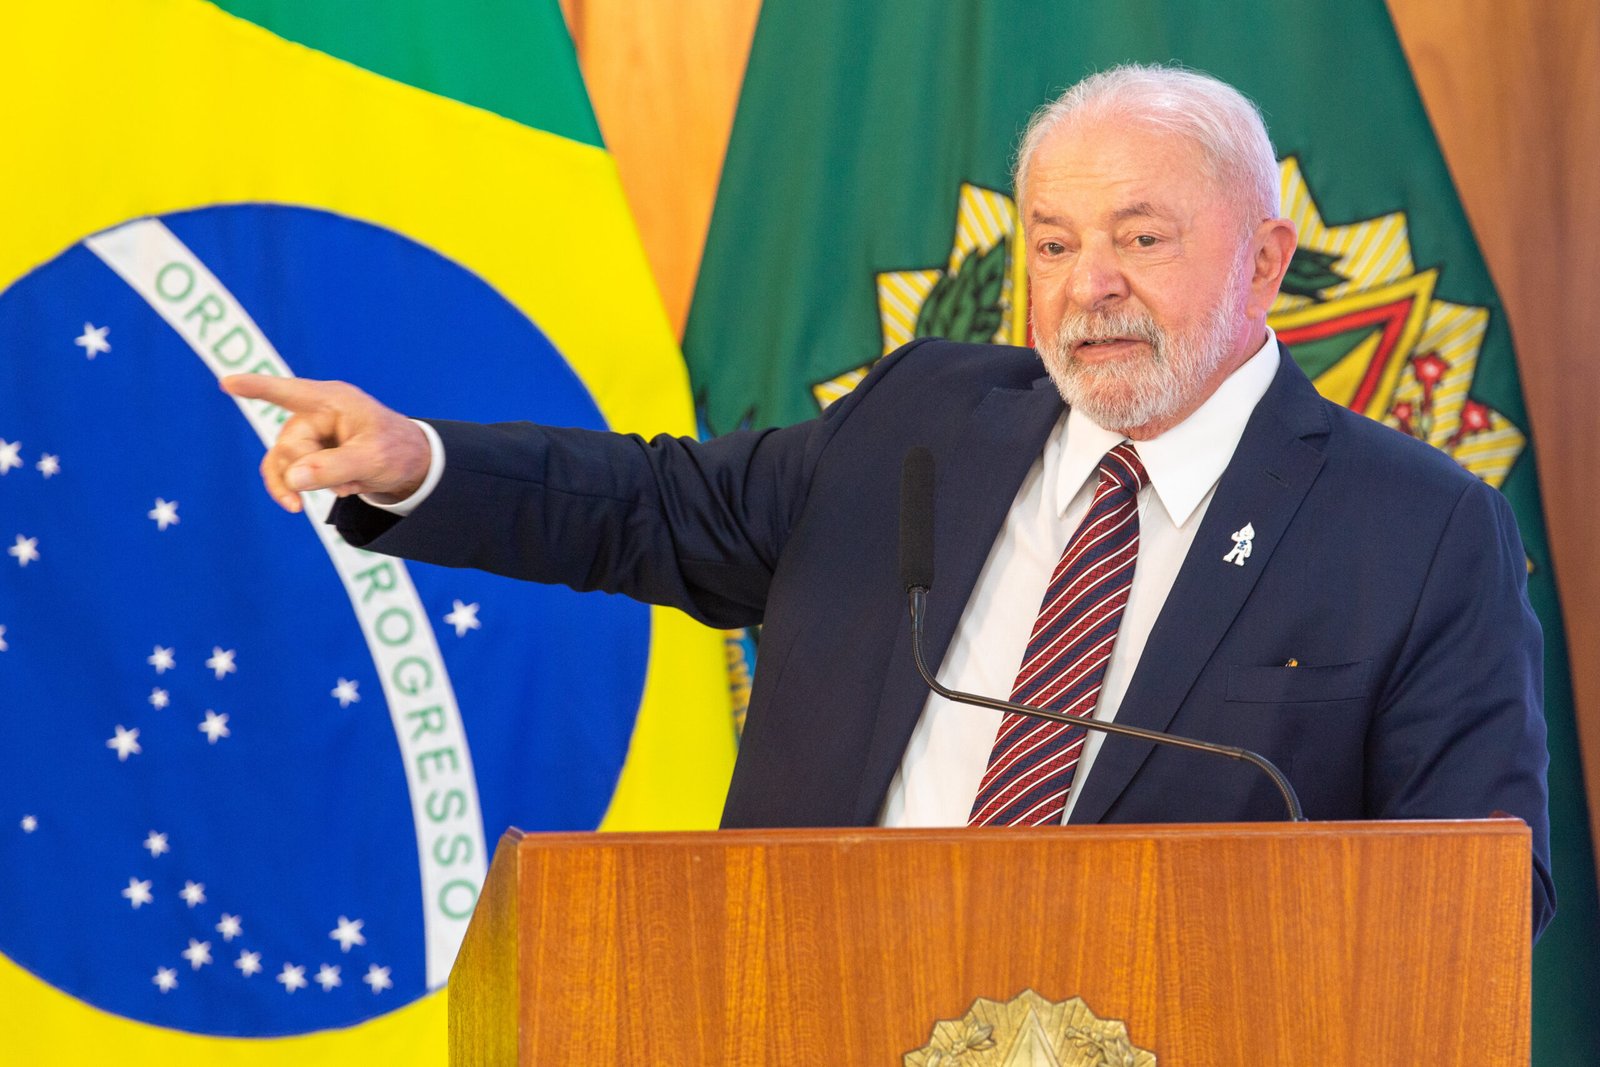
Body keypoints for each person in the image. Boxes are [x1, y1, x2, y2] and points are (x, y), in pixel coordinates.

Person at [223, 64, 1553, 937]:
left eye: (1142, 238)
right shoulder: (923, 419)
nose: (1087, 286)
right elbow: (648, 506)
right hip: (807, 1009)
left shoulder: (1418, 531)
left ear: (1265, 260)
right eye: (1051, 243)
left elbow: (1482, 898)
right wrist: (418, 466)